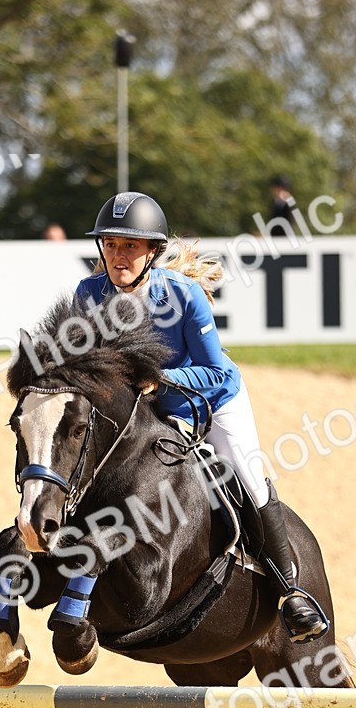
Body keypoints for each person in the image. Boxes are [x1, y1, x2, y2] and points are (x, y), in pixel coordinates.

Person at [74, 191, 328, 643]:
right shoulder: (90, 294)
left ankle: (290, 590)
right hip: (143, 415)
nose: (118, 255)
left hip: (209, 401)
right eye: (110, 245)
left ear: (152, 252)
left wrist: (161, 378)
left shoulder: (183, 295)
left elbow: (217, 371)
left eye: (129, 246)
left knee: (247, 473)